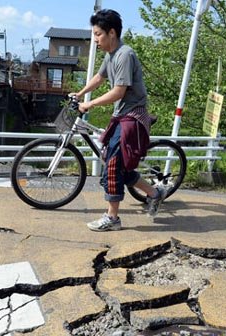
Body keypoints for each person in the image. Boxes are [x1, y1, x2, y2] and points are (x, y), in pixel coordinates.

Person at [74, 9, 166, 232]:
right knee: (116, 164)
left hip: (132, 117)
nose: (95, 39)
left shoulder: (125, 55)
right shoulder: (111, 54)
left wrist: (90, 104)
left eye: (98, 34)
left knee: (113, 164)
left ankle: (112, 218)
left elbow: (118, 91)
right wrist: (80, 93)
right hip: (122, 115)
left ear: (111, 33)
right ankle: (155, 193)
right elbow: (99, 77)